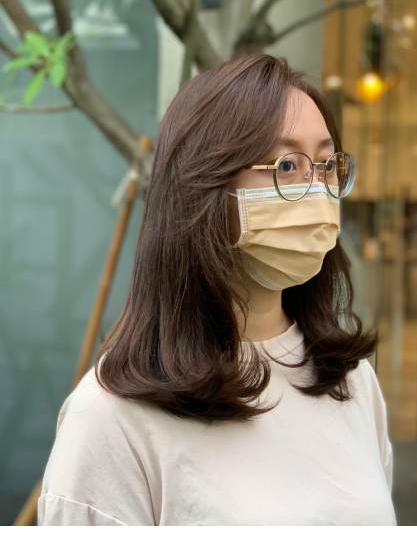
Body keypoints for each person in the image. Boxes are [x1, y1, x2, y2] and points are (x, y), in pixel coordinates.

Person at [37, 53, 397, 526]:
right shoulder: (112, 419)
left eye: (327, 165)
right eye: (287, 165)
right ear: (205, 187)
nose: (316, 191)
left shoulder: (350, 380)